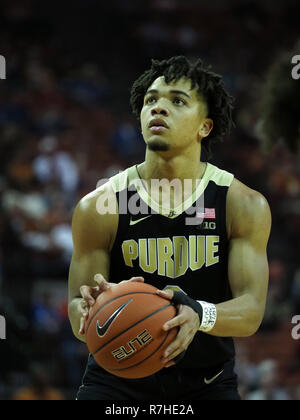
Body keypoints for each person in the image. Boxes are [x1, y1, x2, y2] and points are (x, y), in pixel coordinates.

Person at [68, 56, 271, 400]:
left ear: (204, 127)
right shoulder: (99, 206)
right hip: (116, 382)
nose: (158, 108)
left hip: (206, 383)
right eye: (151, 100)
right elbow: (76, 310)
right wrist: (88, 311)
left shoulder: (242, 203)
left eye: (176, 101)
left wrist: (199, 314)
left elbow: (251, 311)